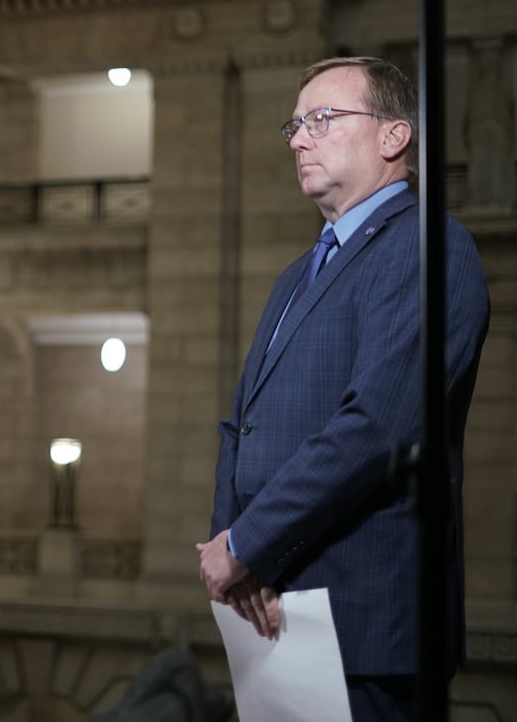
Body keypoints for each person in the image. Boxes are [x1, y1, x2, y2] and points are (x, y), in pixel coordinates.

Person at [196, 57, 490, 721]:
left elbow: (377, 427)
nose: (300, 138)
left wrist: (245, 547)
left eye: (323, 120)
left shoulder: (429, 248)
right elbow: (242, 424)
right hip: (268, 613)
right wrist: (235, 552)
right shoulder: (298, 273)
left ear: (394, 136)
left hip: (362, 628)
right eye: (295, 125)